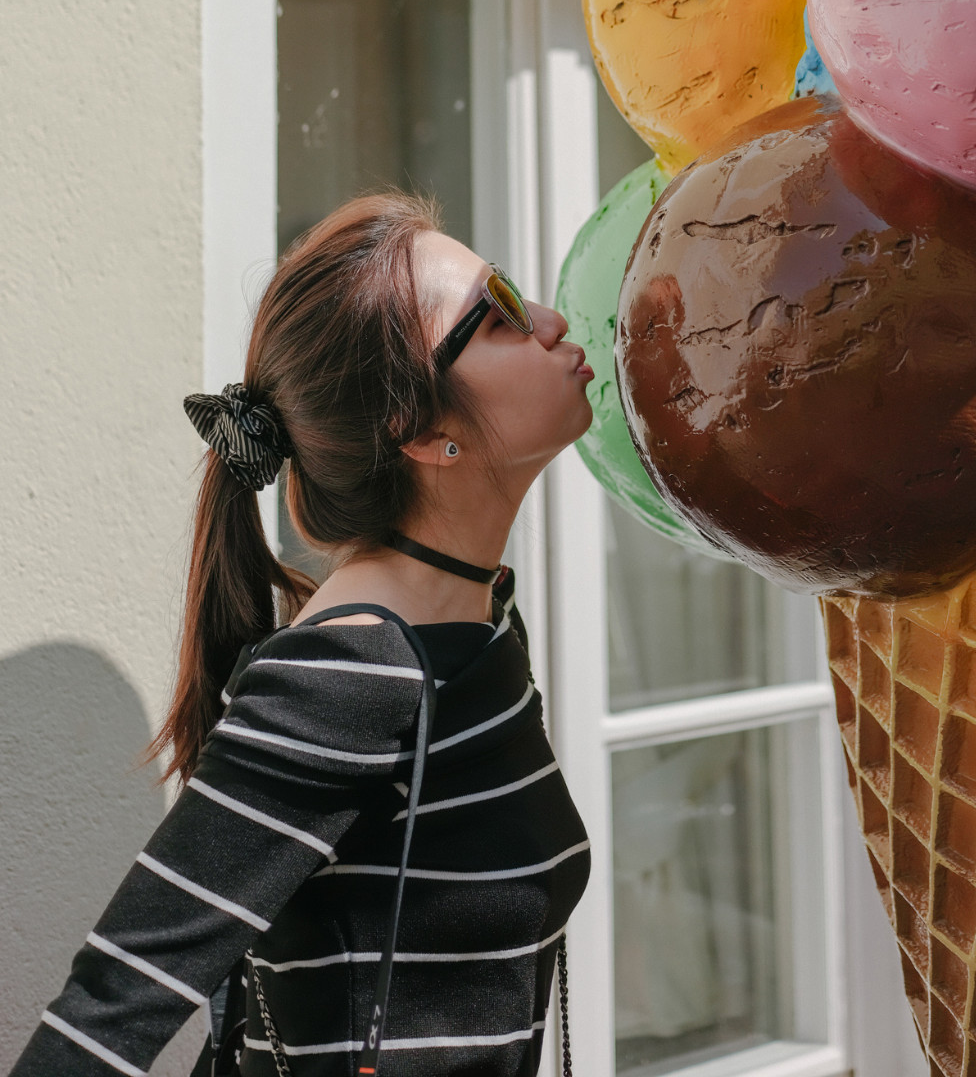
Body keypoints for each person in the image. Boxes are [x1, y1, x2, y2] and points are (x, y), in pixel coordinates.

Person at [11, 192, 593, 1077]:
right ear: (421, 430)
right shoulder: (349, 673)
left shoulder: (474, 622)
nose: (548, 319)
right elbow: (108, 1013)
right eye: (501, 310)